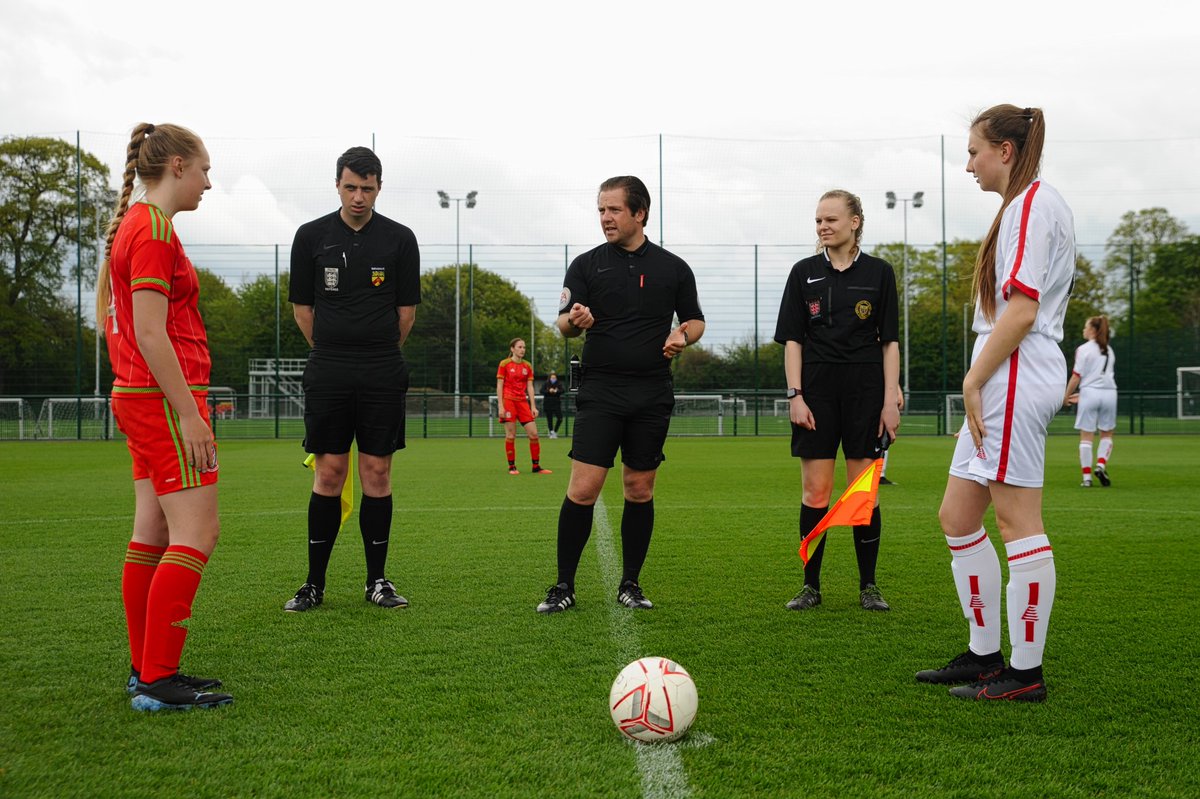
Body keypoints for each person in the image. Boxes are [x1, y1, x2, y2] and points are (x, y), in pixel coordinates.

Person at [917, 105, 1074, 702]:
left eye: (975, 152)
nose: (968, 165)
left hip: (1012, 369)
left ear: (1005, 150)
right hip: (1004, 368)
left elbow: (1024, 308)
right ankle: (984, 655)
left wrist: (973, 380)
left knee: (1017, 522)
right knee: (958, 517)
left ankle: (1024, 674)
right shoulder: (1023, 206)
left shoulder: (1032, 204)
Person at [97, 123, 232, 711]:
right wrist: (190, 414)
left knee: (151, 532)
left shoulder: (139, 225)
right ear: (176, 165)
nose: (208, 182)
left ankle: (146, 668)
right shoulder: (151, 229)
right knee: (198, 532)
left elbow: (122, 326)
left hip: (139, 395)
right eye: (204, 170)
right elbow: (151, 333)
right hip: (162, 400)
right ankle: (157, 678)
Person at [536, 175, 705, 613]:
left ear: (639, 213)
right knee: (583, 488)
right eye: (600, 210)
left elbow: (695, 321)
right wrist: (577, 318)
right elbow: (564, 324)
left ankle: (630, 583)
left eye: (613, 210)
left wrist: (682, 335)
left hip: (652, 393)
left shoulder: (673, 268)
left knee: (639, 488)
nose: (605, 218)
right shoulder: (587, 265)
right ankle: (562, 586)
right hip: (601, 390)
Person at [284, 146, 421, 612]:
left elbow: (406, 314)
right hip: (329, 367)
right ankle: (313, 583)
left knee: (377, 473)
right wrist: (332, 349)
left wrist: (376, 350)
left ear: (379, 187)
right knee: (329, 472)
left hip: (383, 366)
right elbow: (303, 309)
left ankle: (377, 581)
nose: (358, 196)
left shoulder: (400, 239)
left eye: (367, 187)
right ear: (337, 185)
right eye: (350, 187)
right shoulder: (310, 237)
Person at [774, 189, 901, 613]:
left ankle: (869, 586)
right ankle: (811, 586)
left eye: (830, 219)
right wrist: (796, 394)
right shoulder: (803, 272)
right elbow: (793, 340)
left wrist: (889, 398)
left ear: (855, 222)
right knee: (816, 493)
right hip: (816, 393)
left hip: (866, 393)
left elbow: (890, 343)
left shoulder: (880, 273)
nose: (822, 227)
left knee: (862, 494)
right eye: (817, 221)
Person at [1064, 316, 1116, 487]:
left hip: (1089, 393)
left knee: (1086, 436)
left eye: (1086, 327)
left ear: (1093, 330)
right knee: (1106, 433)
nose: (1083, 330)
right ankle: (1101, 465)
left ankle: (1086, 478)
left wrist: (1066, 395)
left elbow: (1076, 376)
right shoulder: (1108, 349)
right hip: (1109, 394)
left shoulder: (1084, 349)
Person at [497, 338, 552, 474]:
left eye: (524, 347)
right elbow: (499, 385)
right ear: (512, 349)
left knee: (534, 434)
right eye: (520, 347)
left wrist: (533, 406)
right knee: (511, 434)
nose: (522, 350)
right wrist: (500, 406)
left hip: (522, 402)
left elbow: (530, 386)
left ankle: (536, 467)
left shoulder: (527, 366)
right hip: (508, 401)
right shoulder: (504, 364)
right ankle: (512, 466)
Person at [542, 371, 565, 438]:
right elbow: (541, 391)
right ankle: (551, 432)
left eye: (554, 378)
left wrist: (556, 391)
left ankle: (555, 431)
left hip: (556, 404)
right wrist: (549, 391)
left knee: (560, 418)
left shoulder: (559, 384)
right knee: (549, 419)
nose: (553, 379)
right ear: (549, 378)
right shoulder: (546, 384)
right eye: (552, 378)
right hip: (548, 404)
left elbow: (563, 390)